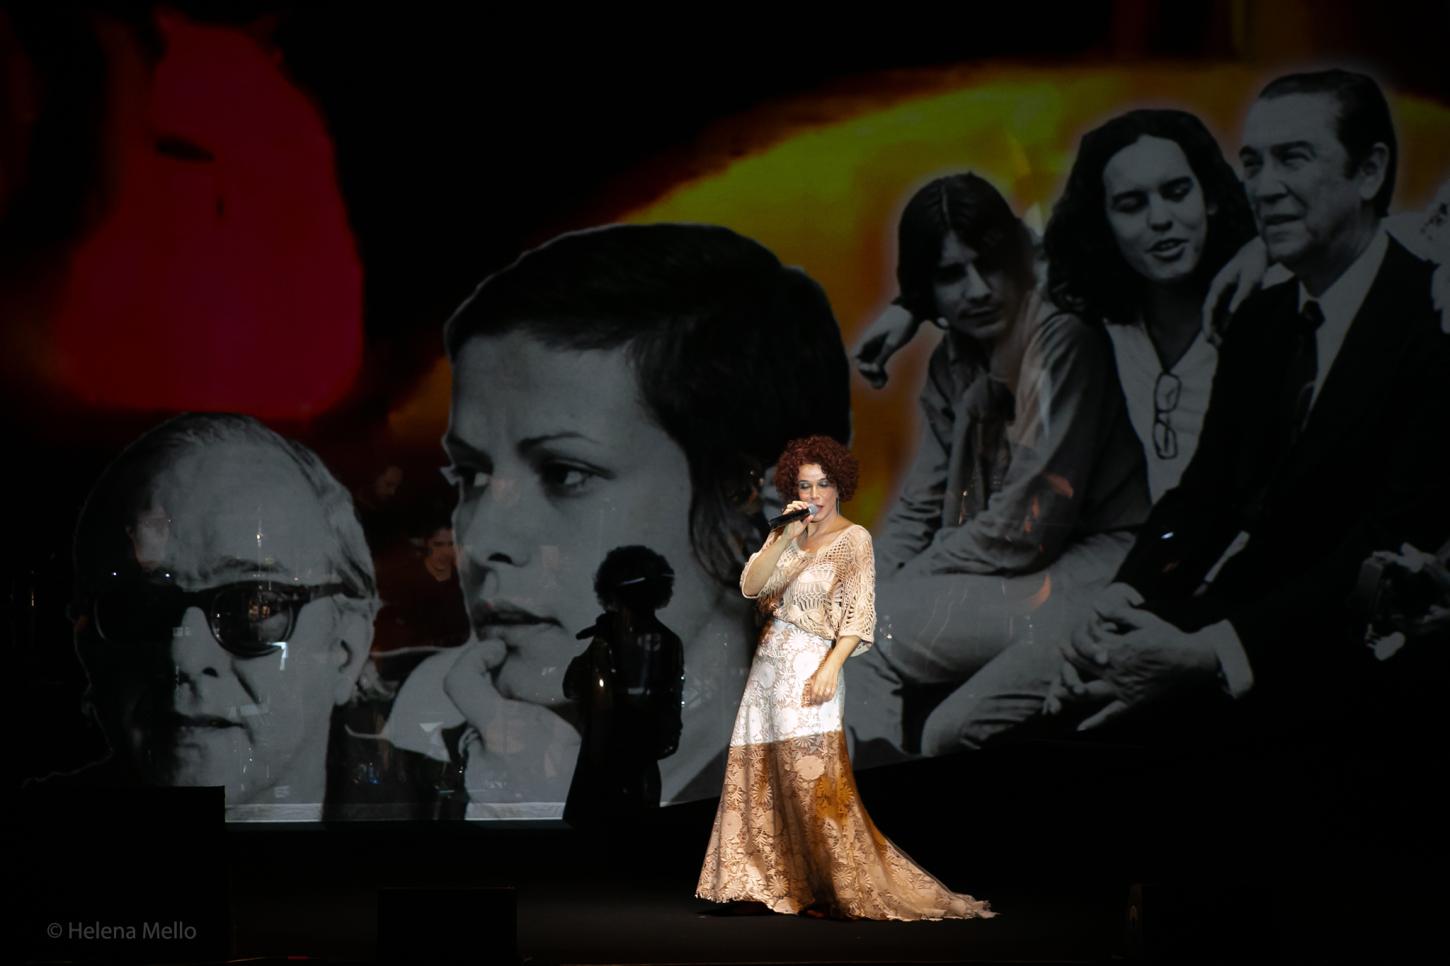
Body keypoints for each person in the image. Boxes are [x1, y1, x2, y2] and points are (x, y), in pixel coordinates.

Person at [382, 223, 851, 814]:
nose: (482, 539)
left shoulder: (856, 802)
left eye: (564, 473)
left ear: (752, 505)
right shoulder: (380, 745)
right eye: (472, 474)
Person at [1047, 69, 1450, 739]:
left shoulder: (1434, 323)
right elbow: (1203, 497)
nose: (1262, 188)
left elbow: (1382, 545)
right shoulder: (1261, 317)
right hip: (1233, 620)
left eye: (1292, 158)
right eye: (1252, 164)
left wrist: (1211, 652)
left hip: (1341, 660)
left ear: (1370, 170)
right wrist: (1127, 598)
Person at [844, 173, 1149, 762]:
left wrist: (899, 591)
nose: (978, 290)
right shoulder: (951, 366)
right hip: (1012, 581)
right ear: (926, 291)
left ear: (1017, 262)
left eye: (990, 266)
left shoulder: (1061, 342)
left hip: (1096, 570)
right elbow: (919, 507)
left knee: (872, 636)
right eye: (951, 276)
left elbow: (1025, 529)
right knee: (876, 650)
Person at [45, 412, 456, 821]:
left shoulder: (449, 821)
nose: (183, 657)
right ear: (89, 646)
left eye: (253, 606)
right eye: (139, 607)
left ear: (345, 650)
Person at [697, 436, 994, 920]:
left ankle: (837, 884)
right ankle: (768, 884)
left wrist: (830, 668)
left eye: (823, 484)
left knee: (814, 782)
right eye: (804, 484)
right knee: (762, 778)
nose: (813, 494)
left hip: (812, 665)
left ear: (839, 488)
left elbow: (858, 618)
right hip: (768, 671)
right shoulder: (789, 539)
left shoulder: (853, 540)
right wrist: (781, 538)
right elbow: (751, 587)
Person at [556, 545, 684, 828]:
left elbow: (573, 687)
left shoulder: (615, 640)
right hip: (628, 762)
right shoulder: (665, 641)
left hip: (613, 762)